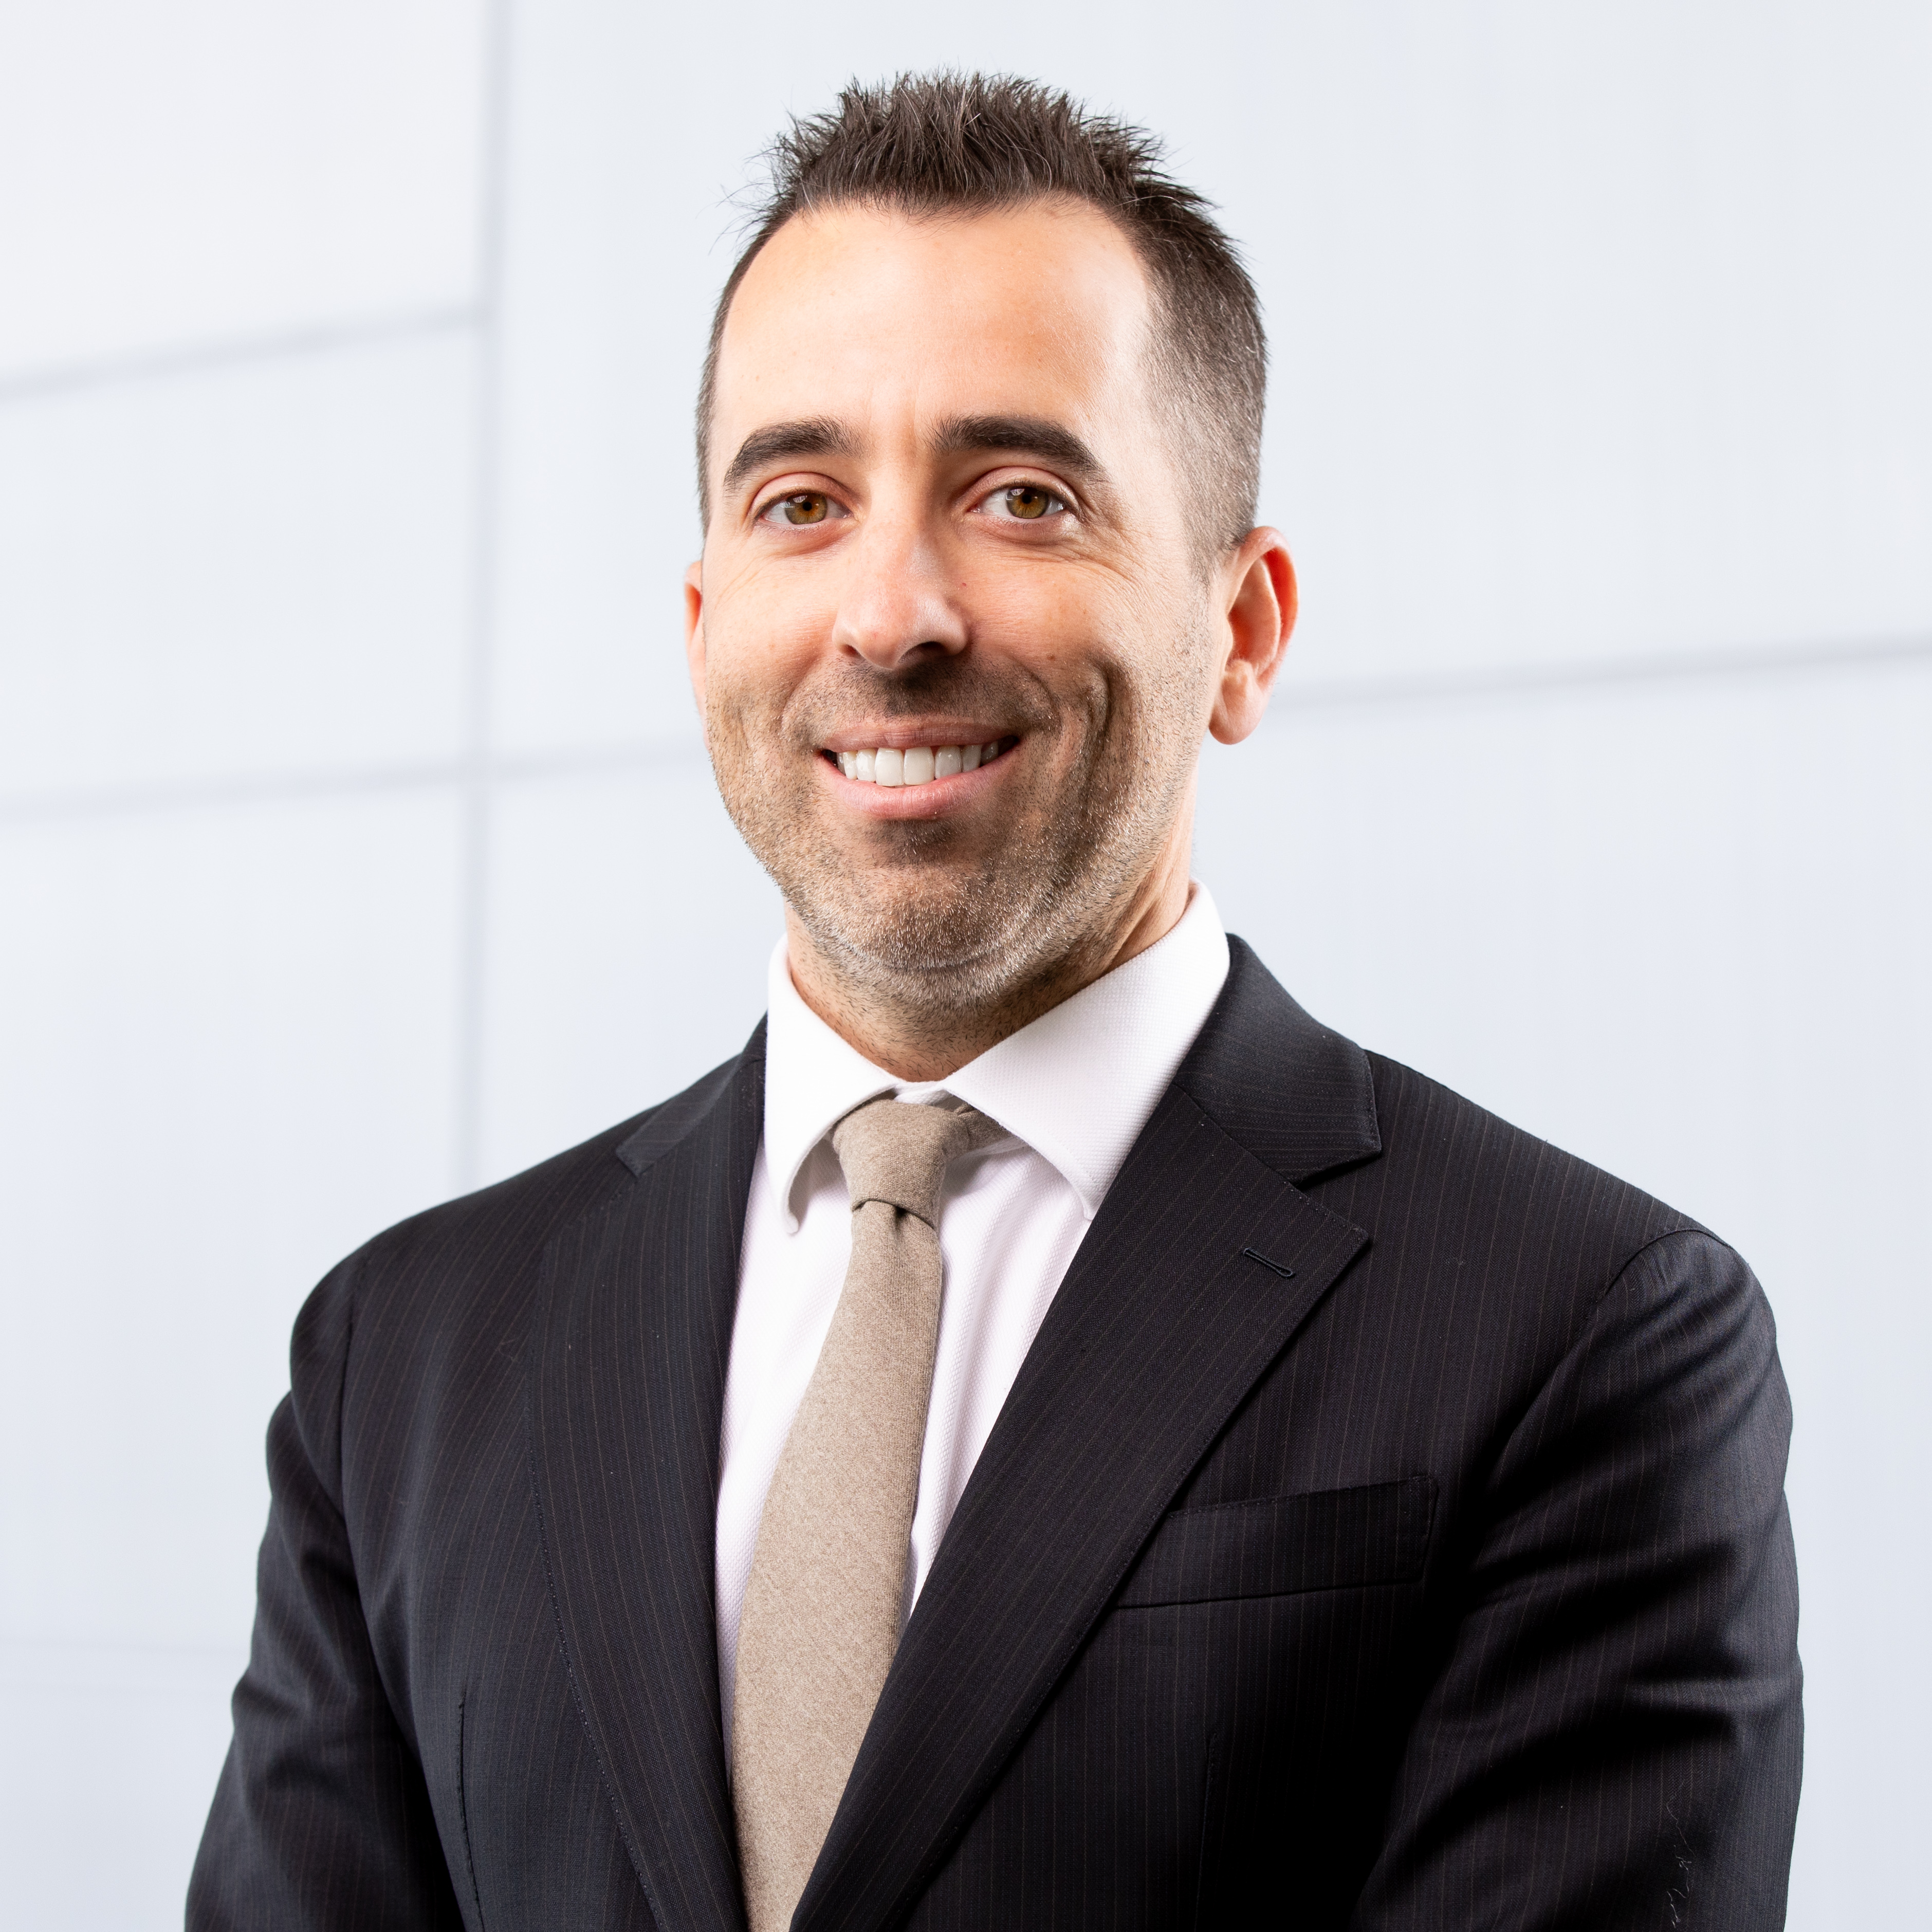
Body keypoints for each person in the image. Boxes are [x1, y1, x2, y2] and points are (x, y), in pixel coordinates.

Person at [190, 72, 1800, 1931]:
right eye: (801, 501)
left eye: (1022, 497)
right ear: (701, 628)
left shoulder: (1582, 1338)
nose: (892, 614)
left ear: (1244, 630)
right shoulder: (403, 1354)